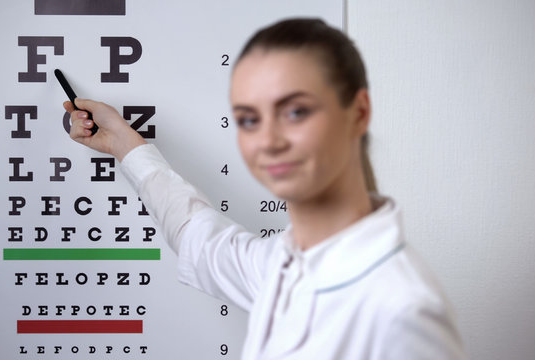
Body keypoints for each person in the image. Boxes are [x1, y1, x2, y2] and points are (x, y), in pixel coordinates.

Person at [63, 18, 466, 360]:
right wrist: (122, 144)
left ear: (358, 112)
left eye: (295, 111)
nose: (269, 141)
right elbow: (198, 238)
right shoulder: (283, 264)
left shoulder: (402, 313)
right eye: (249, 119)